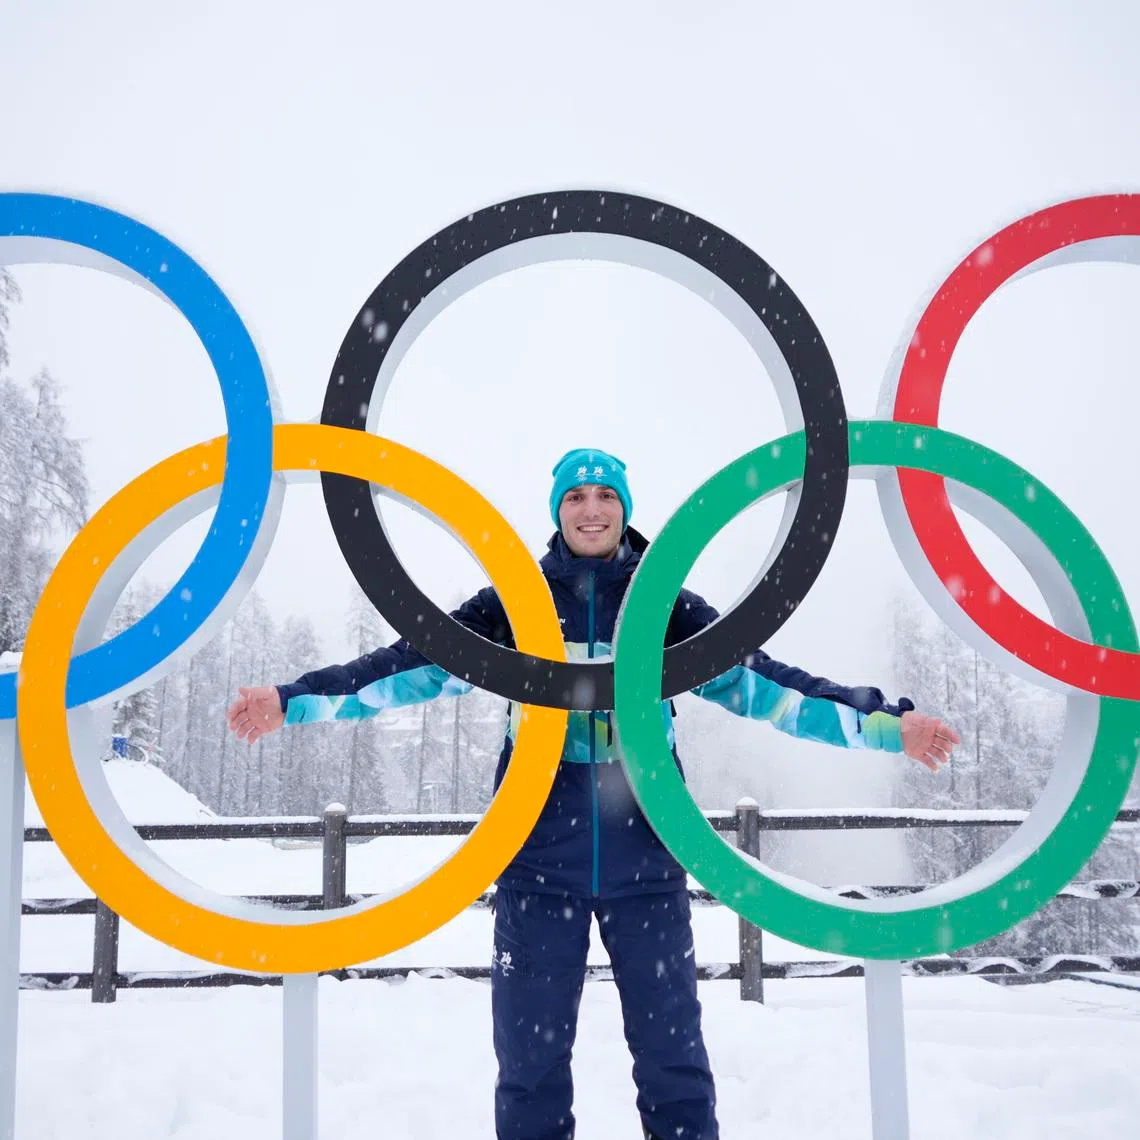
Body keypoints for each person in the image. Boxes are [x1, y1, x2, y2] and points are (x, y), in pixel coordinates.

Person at [227, 447, 959, 1140]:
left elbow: (771, 687)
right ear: (557, 511)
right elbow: (404, 666)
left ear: (625, 509)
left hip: (648, 860)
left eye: (606, 494)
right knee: (530, 1067)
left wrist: (889, 725)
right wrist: (292, 700)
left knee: (673, 1062)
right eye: (576, 495)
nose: (591, 508)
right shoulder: (516, 603)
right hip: (538, 860)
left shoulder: (663, 605)